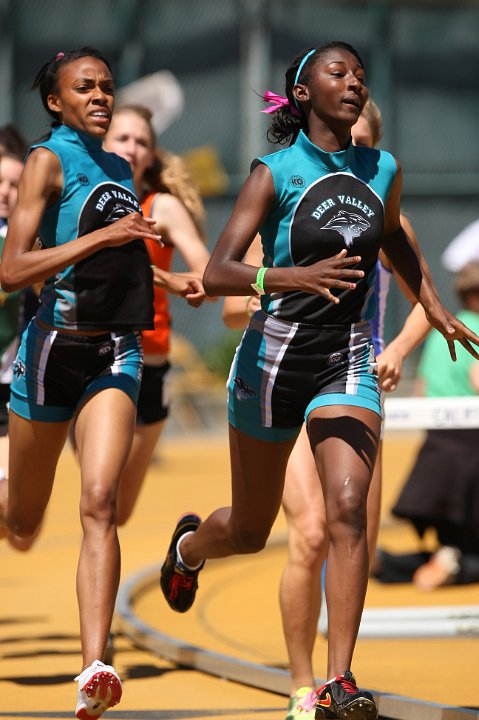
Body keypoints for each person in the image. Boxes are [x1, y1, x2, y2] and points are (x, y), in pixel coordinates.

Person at [158, 42, 479, 720]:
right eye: (338, 72)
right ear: (301, 94)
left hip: (345, 363)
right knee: (249, 530)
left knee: (345, 509)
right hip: (271, 366)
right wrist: (288, 278)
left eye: (360, 73)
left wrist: (432, 305)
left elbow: (392, 239)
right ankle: (189, 547)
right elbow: (218, 272)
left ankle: (337, 680)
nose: (354, 81)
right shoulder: (272, 174)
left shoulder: (382, 167)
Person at [222, 98, 432, 720]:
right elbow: (234, 298)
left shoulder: (386, 212)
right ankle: (300, 684)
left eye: (359, 141)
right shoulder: (289, 204)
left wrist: (395, 348)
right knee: (305, 533)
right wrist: (288, 286)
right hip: (283, 371)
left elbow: (425, 297)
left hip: (352, 376)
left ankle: (340, 680)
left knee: (349, 522)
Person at [0, 47, 169, 720]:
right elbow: (13, 271)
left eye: (105, 86)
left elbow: (115, 250)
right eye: (84, 88)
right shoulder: (47, 160)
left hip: (114, 355)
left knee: (100, 499)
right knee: (23, 522)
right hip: (49, 353)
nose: (100, 96)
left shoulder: (120, 166)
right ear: (55, 101)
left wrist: (164, 277)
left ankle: (95, 665)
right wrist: (105, 241)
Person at [102, 103, 211, 526]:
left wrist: (164, 279)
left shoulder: (159, 207)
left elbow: (205, 271)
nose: (131, 147)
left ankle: (181, 551)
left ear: (151, 154)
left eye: (141, 141)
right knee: (99, 498)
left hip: (150, 360)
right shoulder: (77, 194)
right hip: (92, 356)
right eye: (123, 138)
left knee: (119, 511)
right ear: (103, 142)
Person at [375, 260, 479, 590]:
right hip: (470, 446)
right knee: (470, 545)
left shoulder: (442, 329)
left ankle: (390, 563)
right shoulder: (474, 331)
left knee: (456, 540)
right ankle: (450, 564)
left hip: (437, 443)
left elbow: (422, 388)